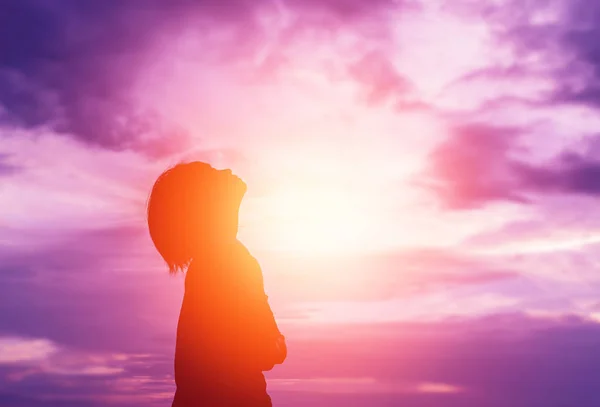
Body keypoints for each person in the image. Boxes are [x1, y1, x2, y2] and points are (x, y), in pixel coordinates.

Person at [147, 161, 287, 407]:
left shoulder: (218, 261)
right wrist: (274, 344)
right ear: (204, 205)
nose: (227, 171)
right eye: (213, 174)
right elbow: (265, 349)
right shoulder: (224, 261)